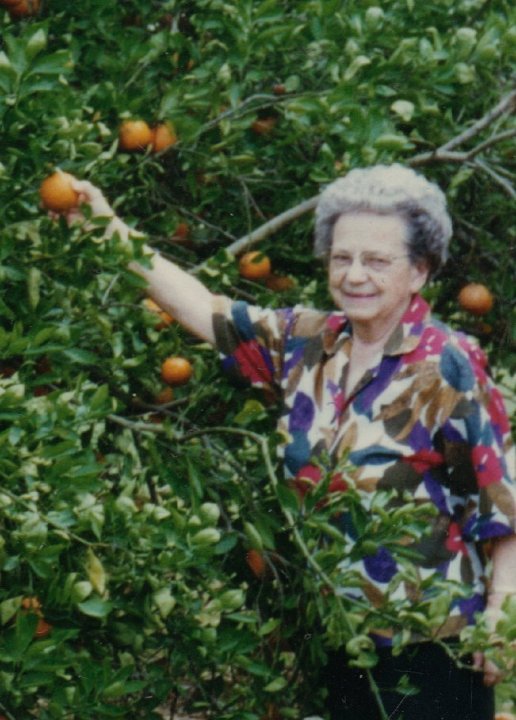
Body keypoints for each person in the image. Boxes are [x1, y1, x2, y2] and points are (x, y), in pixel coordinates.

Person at [69, 164, 515, 720]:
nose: (356, 275)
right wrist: (108, 228)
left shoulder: (448, 363)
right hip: (335, 639)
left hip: (430, 647)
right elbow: (202, 310)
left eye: (377, 261)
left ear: (419, 271)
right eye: (342, 257)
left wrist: (501, 612)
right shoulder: (306, 344)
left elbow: (502, 499)